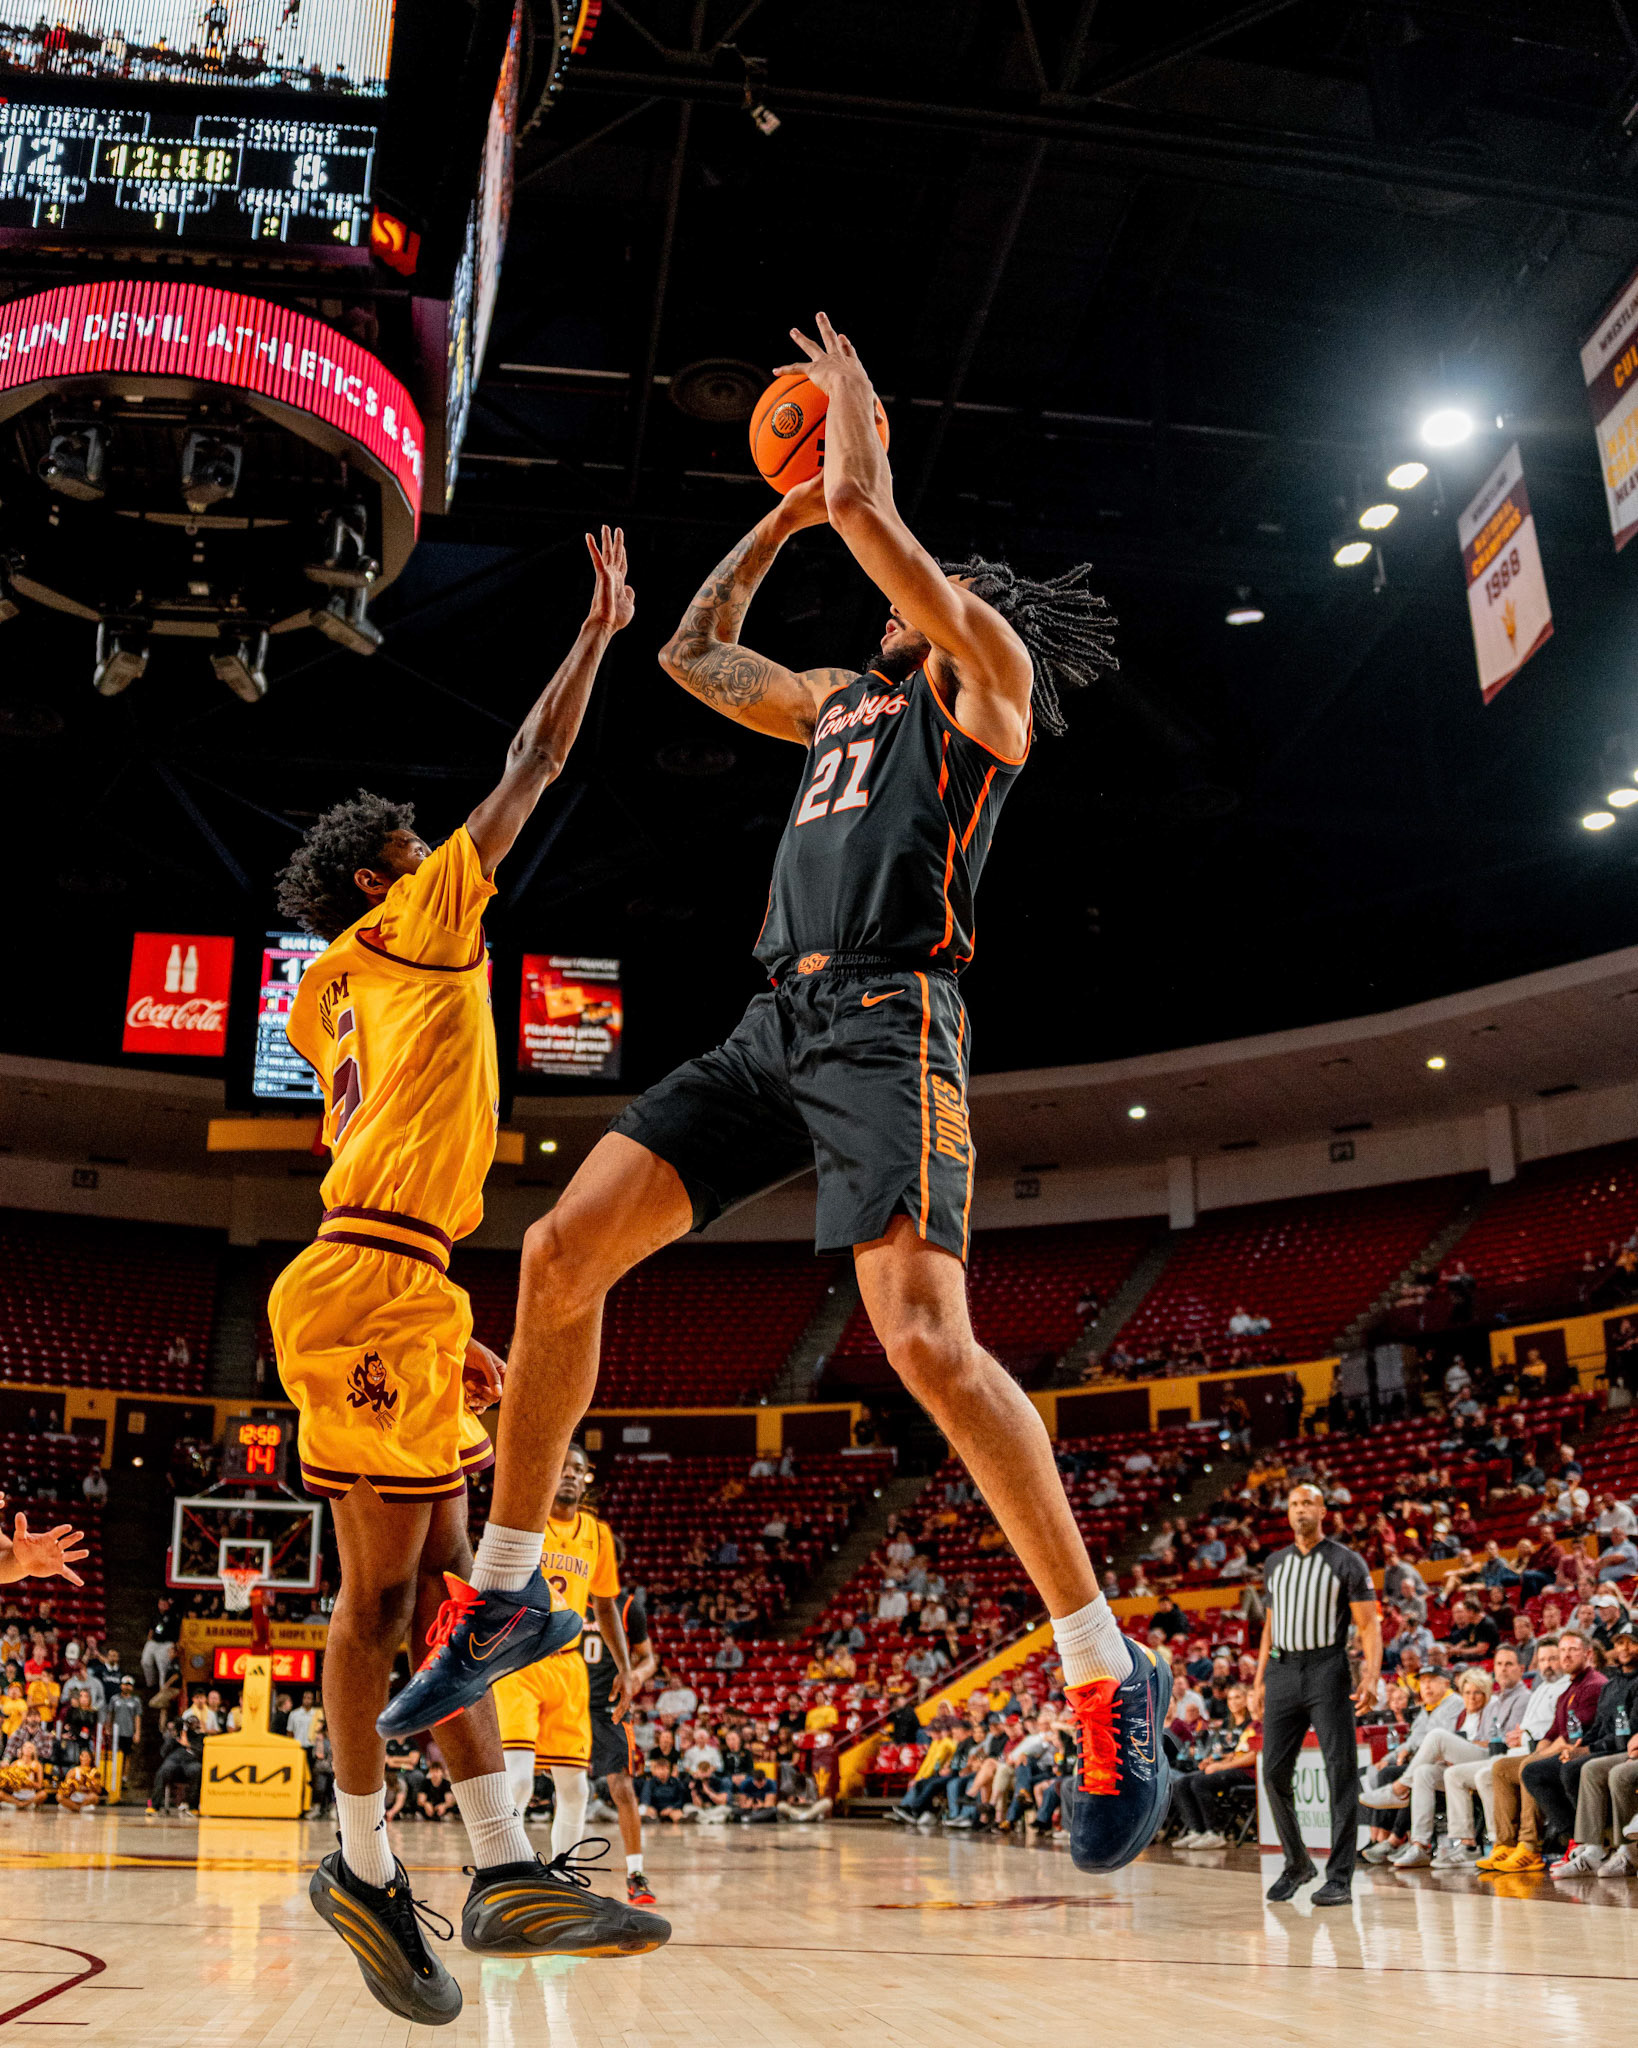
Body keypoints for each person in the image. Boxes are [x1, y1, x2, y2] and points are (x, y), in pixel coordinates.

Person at [381, 315, 1164, 1878]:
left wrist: (856, 450)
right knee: (553, 1261)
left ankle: (1102, 1667)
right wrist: (787, 504)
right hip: (773, 1021)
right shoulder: (834, 706)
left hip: (893, 1021)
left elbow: (890, 539)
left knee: (926, 1342)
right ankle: (516, 1577)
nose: (889, 607)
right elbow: (689, 651)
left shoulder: (985, 692)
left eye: (912, 593)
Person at [267, 529, 662, 2021]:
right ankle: (367, 1863)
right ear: (388, 871)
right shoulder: (411, 922)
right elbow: (532, 762)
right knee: (384, 1604)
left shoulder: (324, 990)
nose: (447, 854)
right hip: (371, 1281)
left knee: (441, 1596)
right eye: (418, 845)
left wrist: (446, 1339)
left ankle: (497, 1865)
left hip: (405, 1286)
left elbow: (354, 1046)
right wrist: (598, 632)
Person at [493, 1447, 640, 1871]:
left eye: (579, 1470)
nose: (571, 1476)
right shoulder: (526, 1519)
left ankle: (562, 1875)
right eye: (563, 1468)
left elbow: (607, 1605)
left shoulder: (597, 1534)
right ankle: (508, 1872)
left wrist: (626, 1671)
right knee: (518, 1780)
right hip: (521, 1660)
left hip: (570, 1665)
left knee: (576, 1789)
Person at [1253, 1485, 1381, 1907]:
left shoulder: (1346, 1561)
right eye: (1292, 1504)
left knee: (1339, 1771)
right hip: (1282, 1670)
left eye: (1307, 1502)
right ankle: (1297, 1863)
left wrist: (1371, 1675)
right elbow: (1270, 1628)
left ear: (1323, 1511)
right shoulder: (1275, 1564)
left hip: (1328, 1668)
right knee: (1272, 1772)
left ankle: (1340, 1877)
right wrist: (1259, 1680)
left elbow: (1368, 1626)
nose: (1299, 1510)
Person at [583, 1556, 659, 1908]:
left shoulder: (628, 1608)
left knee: (622, 1786)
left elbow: (649, 1658)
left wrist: (636, 1676)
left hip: (607, 1709)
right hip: (561, 1703)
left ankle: (635, 1872)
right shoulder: (560, 1596)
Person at [56, 1748, 102, 1812]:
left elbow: (99, 1790)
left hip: (86, 1796)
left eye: (86, 1756)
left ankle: (76, 1807)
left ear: (90, 1759)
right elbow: (65, 1787)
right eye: (82, 1756)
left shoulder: (94, 1772)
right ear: (80, 1757)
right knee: (59, 1797)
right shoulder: (73, 1771)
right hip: (74, 1795)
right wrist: (74, 1787)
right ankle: (78, 1808)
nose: (84, 1758)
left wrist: (91, 1786)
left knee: (94, 1797)